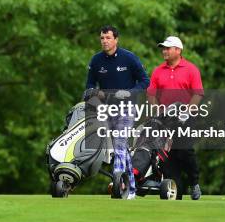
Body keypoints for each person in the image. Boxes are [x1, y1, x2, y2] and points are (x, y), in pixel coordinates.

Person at [85, 25, 149, 199]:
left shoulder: (129, 58)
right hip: (107, 109)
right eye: (102, 38)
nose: (104, 41)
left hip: (127, 107)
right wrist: (93, 97)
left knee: (120, 143)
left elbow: (145, 81)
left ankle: (118, 186)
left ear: (116, 40)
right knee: (121, 149)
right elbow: (90, 86)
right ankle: (132, 189)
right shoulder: (96, 60)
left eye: (108, 38)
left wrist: (129, 92)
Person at [147, 36, 204, 200]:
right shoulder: (158, 70)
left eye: (167, 48)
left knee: (184, 152)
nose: (164, 51)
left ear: (178, 50)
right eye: (163, 48)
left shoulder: (191, 69)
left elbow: (198, 94)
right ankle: (176, 191)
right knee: (167, 158)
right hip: (165, 119)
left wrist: (187, 112)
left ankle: (194, 183)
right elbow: (151, 94)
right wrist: (157, 111)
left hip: (185, 119)